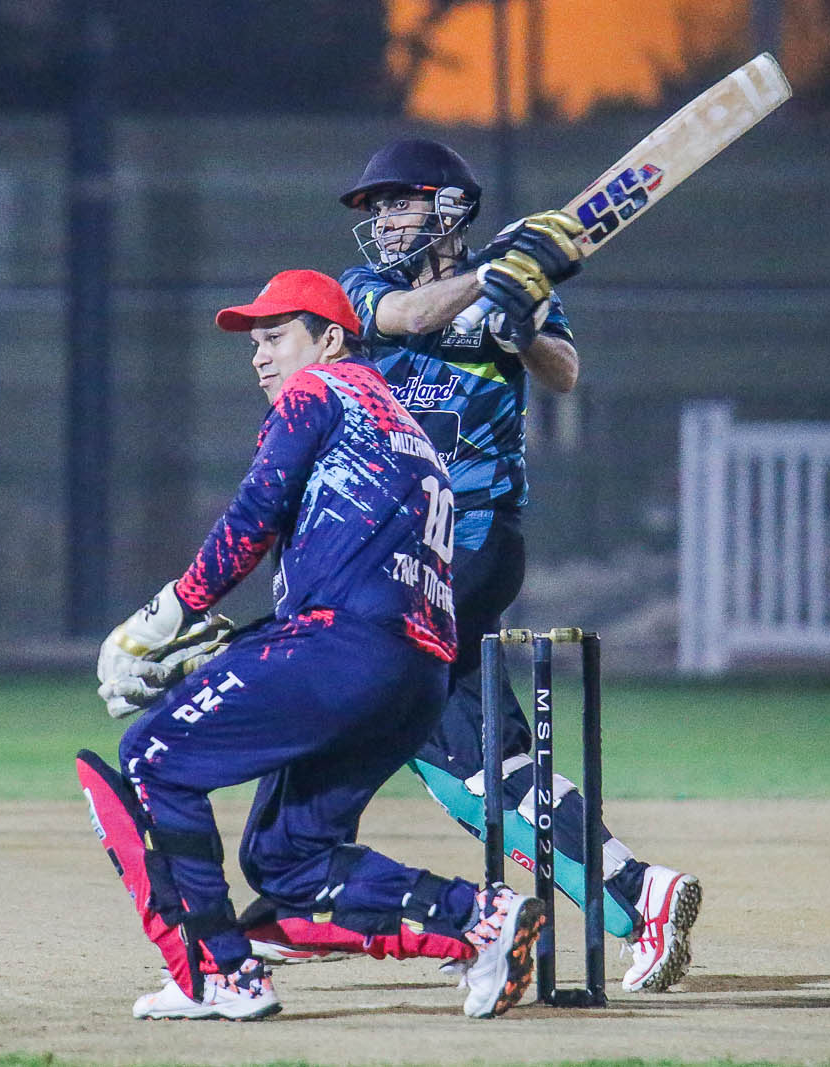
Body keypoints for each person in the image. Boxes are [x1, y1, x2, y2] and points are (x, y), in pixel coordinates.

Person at [243, 136, 694, 993]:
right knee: (460, 756)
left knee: (404, 722)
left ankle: (308, 889)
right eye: (375, 209)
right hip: (396, 550)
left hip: (474, 539)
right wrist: (498, 278)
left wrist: (521, 323)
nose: (382, 221)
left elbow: (562, 372)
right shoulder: (368, 291)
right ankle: (307, 893)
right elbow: (410, 318)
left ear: (448, 207)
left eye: (397, 203)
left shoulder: (512, 289)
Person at [83, 268, 553, 1021]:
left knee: (152, 758)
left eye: (276, 337)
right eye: (254, 343)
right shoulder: (399, 423)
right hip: (417, 672)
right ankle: (481, 918)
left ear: (331, 340)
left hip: (344, 648)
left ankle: (222, 975)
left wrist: (170, 610)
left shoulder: (322, 390)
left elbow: (255, 511)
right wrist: (236, 652)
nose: (259, 356)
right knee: (286, 857)